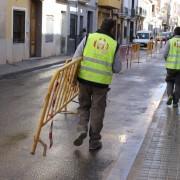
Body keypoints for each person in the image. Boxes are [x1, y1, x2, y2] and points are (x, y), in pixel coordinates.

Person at [72, 18, 122, 151]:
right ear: (112, 29)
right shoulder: (114, 44)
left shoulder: (88, 37)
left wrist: (73, 78)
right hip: (101, 85)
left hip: (84, 80)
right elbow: (117, 68)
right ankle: (94, 142)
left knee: (83, 107)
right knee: (97, 111)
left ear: (101, 25)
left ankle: (81, 129)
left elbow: (76, 57)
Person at [163, 27, 180, 108]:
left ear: (174, 33)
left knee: (170, 82)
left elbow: (165, 54)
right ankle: (175, 102)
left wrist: (168, 60)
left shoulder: (170, 41)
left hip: (170, 68)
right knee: (178, 85)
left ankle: (170, 96)